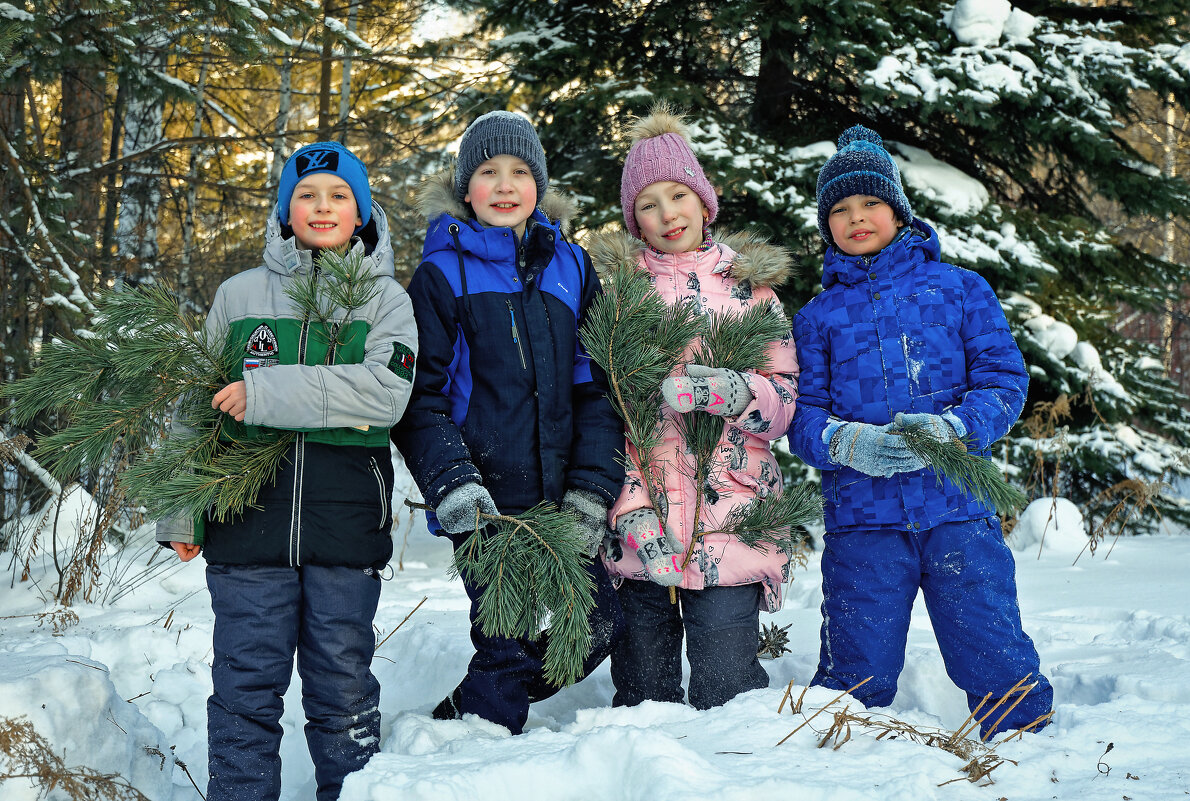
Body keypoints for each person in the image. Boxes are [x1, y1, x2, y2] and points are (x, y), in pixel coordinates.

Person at [156, 141, 418, 801]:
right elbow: (197, 405)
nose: (322, 206)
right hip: (245, 528)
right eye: (307, 194)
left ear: (361, 213)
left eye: (338, 195)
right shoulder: (238, 296)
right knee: (244, 686)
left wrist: (267, 395)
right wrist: (181, 508)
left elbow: (384, 394)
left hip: (345, 531)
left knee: (344, 688)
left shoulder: (387, 300)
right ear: (284, 209)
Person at [788, 125, 1053, 738]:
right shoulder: (816, 317)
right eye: (841, 210)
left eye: (871, 203)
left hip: (958, 510)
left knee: (989, 641)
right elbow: (799, 415)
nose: (857, 219)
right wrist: (846, 442)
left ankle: (1024, 749)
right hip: (863, 522)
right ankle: (846, 763)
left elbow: (1003, 381)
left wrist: (956, 428)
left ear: (899, 210)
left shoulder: (959, 290)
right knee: (857, 668)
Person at [392, 110, 626, 735]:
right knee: (506, 637)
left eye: (520, 171)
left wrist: (591, 490)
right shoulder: (441, 276)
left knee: (599, 624)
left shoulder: (572, 269)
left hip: (562, 494)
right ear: (465, 187)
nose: (504, 184)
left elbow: (598, 389)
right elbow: (421, 399)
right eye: (488, 171)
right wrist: (454, 485)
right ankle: (484, 749)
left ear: (539, 184)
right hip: (484, 500)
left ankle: (469, 707)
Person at [593, 105, 800, 710]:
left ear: (703, 200)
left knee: (728, 686)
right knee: (643, 693)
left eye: (678, 195)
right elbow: (603, 413)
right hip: (643, 517)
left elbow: (786, 401)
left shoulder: (749, 288)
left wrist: (738, 393)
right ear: (634, 218)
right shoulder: (618, 293)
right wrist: (630, 508)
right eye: (648, 203)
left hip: (733, 510)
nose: (667, 214)